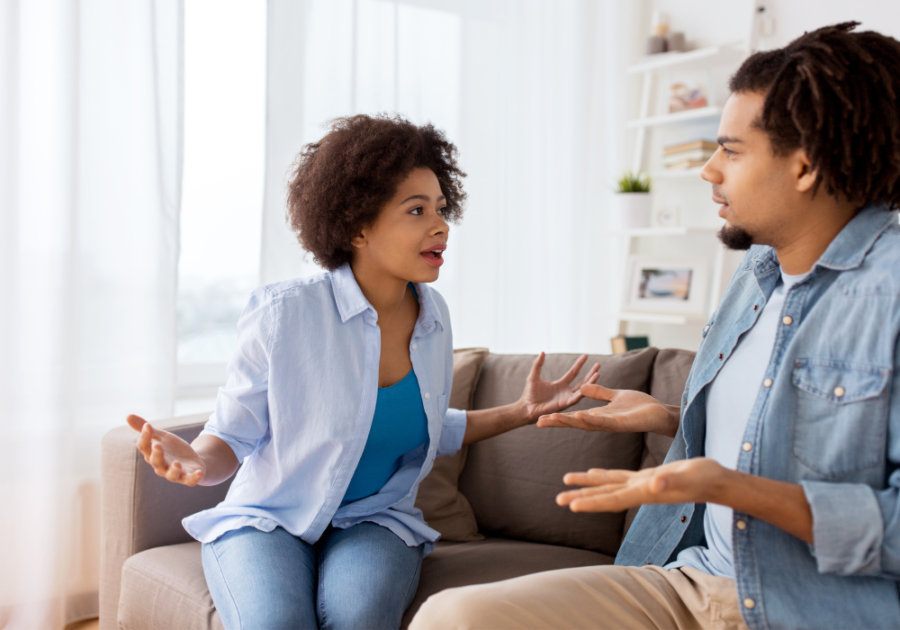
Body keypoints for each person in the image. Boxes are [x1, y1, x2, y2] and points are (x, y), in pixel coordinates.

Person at [410, 22, 900, 630]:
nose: (709, 171)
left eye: (732, 150)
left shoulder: (890, 295)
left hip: (810, 608)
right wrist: (670, 420)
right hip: (687, 580)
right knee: (455, 617)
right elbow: (773, 431)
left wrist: (733, 489)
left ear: (806, 166)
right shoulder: (756, 272)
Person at [125, 114, 599, 630]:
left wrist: (523, 411)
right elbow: (231, 438)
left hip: (375, 520)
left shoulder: (434, 316)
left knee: (361, 618)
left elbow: (432, 427)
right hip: (270, 519)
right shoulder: (285, 313)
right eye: (416, 210)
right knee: (276, 623)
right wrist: (194, 461)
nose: (440, 225)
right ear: (357, 226)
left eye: (441, 209)